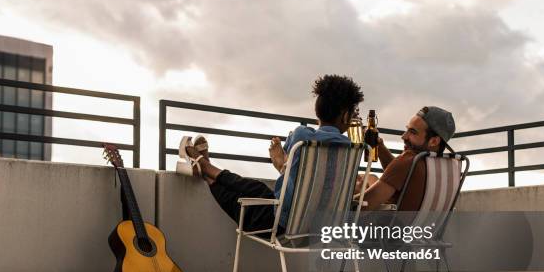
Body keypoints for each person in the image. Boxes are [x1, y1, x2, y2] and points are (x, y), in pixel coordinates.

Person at [177, 74, 364, 234]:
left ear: (318, 109)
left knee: (246, 194)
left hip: (279, 226)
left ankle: (205, 167)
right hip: (322, 229)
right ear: (346, 116)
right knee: (257, 189)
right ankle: (205, 167)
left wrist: (282, 162)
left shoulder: (303, 136)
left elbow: (291, 149)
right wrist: (284, 165)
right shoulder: (352, 152)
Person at [358, 106, 456, 211]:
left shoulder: (408, 160)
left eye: (413, 132)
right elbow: (399, 174)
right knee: (370, 178)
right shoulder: (451, 167)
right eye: (407, 130)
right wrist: (380, 148)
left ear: (434, 141)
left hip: (384, 225)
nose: (404, 136)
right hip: (427, 227)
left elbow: (362, 206)